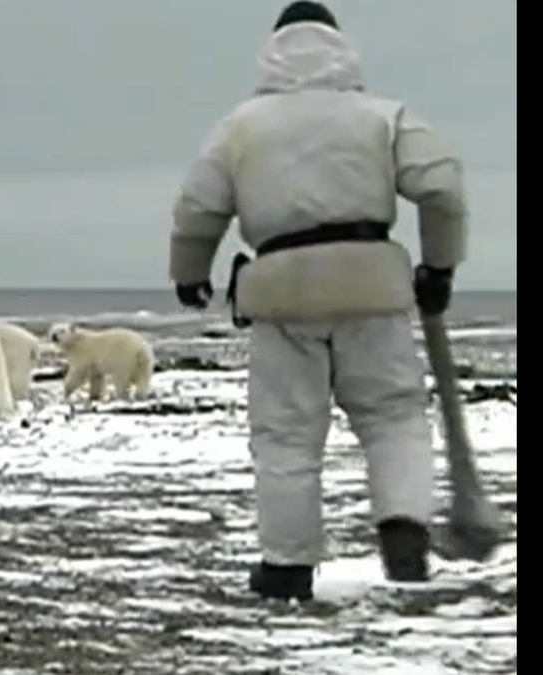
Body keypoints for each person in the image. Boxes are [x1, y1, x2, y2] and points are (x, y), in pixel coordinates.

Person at [168, 1, 467, 601]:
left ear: (272, 52)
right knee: (392, 417)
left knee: (285, 436)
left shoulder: (241, 127)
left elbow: (198, 206)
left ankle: (287, 567)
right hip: (371, 288)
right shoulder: (382, 117)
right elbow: (440, 185)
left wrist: (190, 274)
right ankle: (404, 528)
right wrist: (438, 266)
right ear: (341, 48)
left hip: (283, 295)